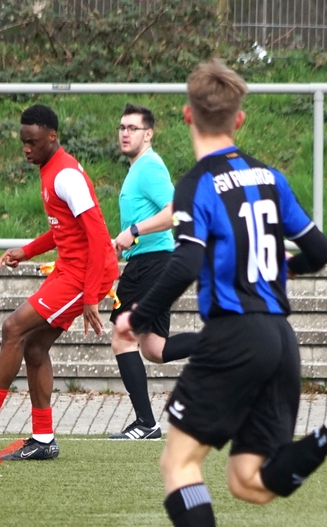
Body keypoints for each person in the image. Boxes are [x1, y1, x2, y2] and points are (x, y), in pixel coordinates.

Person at [115, 60, 327, 527]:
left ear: (187, 116)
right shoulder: (269, 177)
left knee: (177, 463)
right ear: (238, 119)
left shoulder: (197, 184)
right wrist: (280, 270)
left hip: (234, 335)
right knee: (248, 480)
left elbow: (186, 260)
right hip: (280, 338)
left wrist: (139, 317)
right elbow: (319, 251)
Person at [0, 104, 118, 460]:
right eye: (23, 142)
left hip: (84, 275)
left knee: (13, 327)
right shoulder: (50, 169)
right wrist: (27, 251)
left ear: (52, 136)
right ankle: (43, 439)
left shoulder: (66, 176)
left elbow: (99, 238)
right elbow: (63, 229)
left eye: (33, 142)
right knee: (35, 347)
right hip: (71, 270)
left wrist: (90, 296)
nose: (26, 149)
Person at [108, 103, 200, 441]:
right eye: (122, 127)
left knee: (122, 337)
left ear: (148, 134)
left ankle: (146, 423)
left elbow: (177, 210)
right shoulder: (139, 168)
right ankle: (222, 339)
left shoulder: (148, 167)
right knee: (154, 349)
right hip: (153, 261)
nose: (125, 133)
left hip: (151, 263)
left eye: (132, 128)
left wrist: (133, 231)